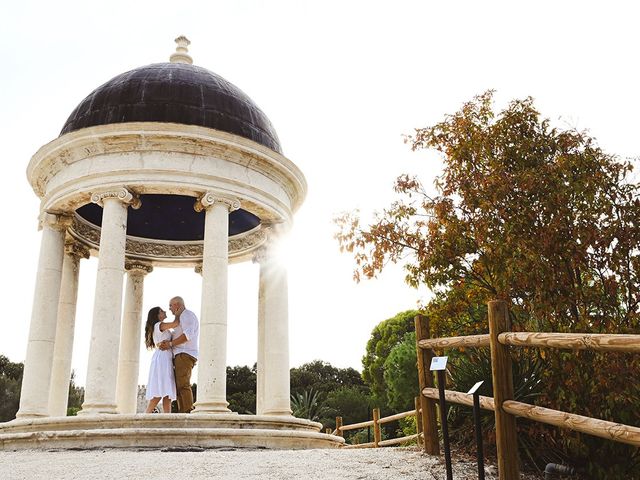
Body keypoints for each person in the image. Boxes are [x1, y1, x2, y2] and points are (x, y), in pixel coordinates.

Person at [158, 296, 199, 413]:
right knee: (179, 384)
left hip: (184, 353)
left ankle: (187, 411)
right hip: (181, 354)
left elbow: (187, 335)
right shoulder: (181, 317)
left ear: (177, 305)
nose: (169, 309)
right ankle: (183, 411)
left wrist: (170, 343)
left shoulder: (187, 315)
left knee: (183, 383)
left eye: (170, 306)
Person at [144, 306, 180, 413]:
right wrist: (178, 312)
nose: (165, 311)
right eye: (161, 311)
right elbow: (176, 323)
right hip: (163, 359)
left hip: (165, 357)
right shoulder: (159, 325)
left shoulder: (160, 327)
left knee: (167, 393)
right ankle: (145, 417)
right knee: (161, 389)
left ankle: (166, 419)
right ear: (157, 315)